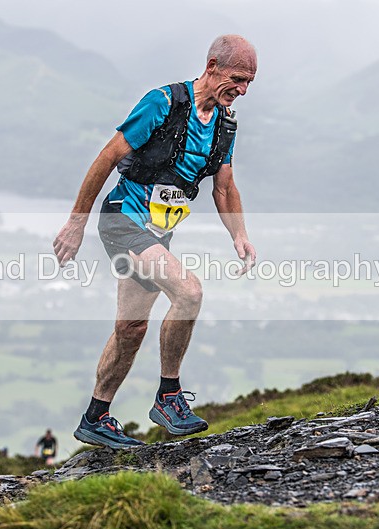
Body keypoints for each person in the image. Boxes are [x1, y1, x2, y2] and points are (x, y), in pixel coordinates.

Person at [53, 35, 257, 449]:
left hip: (156, 232)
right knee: (189, 291)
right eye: (237, 78)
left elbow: (224, 186)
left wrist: (239, 234)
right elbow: (107, 157)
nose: (243, 90)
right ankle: (168, 396)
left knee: (130, 328)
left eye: (250, 82)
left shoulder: (225, 123)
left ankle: (95, 417)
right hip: (122, 221)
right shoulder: (162, 103)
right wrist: (76, 223)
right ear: (212, 65)